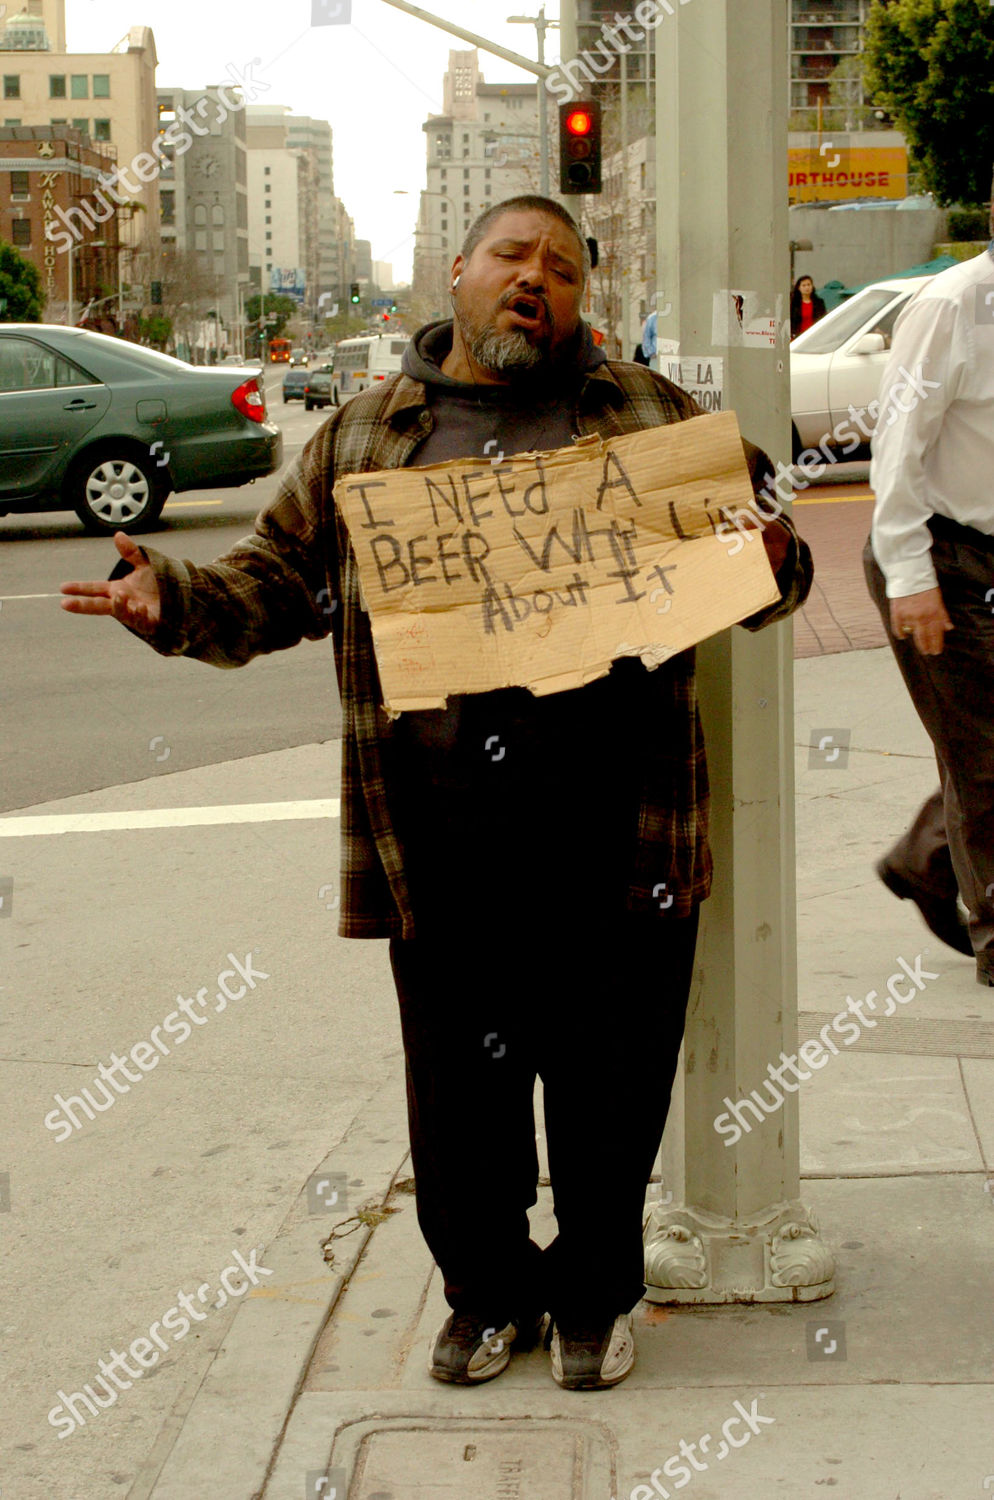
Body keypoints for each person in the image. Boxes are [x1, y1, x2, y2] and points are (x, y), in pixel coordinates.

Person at [60, 196, 813, 1391]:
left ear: (584, 300)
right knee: (461, 1100)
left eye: (563, 269)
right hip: (442, 837)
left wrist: (770, 555)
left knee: (610, 1093)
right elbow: (270, 586)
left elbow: (766, 563)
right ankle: (485, 1294)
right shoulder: (365, 435)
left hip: (621, 831)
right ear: (456, 270)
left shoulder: (652, 417)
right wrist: (174, 600)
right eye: (513, 256)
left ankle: (591, 1299)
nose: (537, 281)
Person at [863, 199, 994, 984]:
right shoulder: (953, 307)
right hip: (943, 557)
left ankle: (927, 858)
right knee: (985, 758)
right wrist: (910, 579)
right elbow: (898, 451)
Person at [790, 275, 827, 340]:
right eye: (803, 285)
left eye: (809, 285)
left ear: (812, 286)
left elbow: (823, 319)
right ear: (799, 288)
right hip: (798, 337)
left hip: (815, 337)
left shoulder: (819, 303)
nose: (807, 287)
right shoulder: (794, 304)